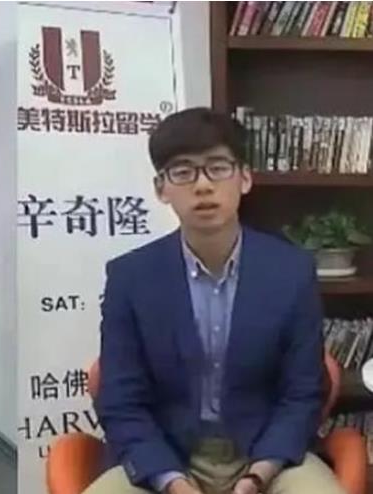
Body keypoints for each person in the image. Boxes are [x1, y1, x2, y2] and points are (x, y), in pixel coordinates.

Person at [83, 108, 345, 494]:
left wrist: (259, 474)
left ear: (245, 178)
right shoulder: (130, 277)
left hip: (266, 454)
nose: (203, 185)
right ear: (161, 188)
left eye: (218, 168)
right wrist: (171, 481)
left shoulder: (291, 272)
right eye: (183, 171)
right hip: (166, 455)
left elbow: (302, 393)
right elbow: (121, 401)